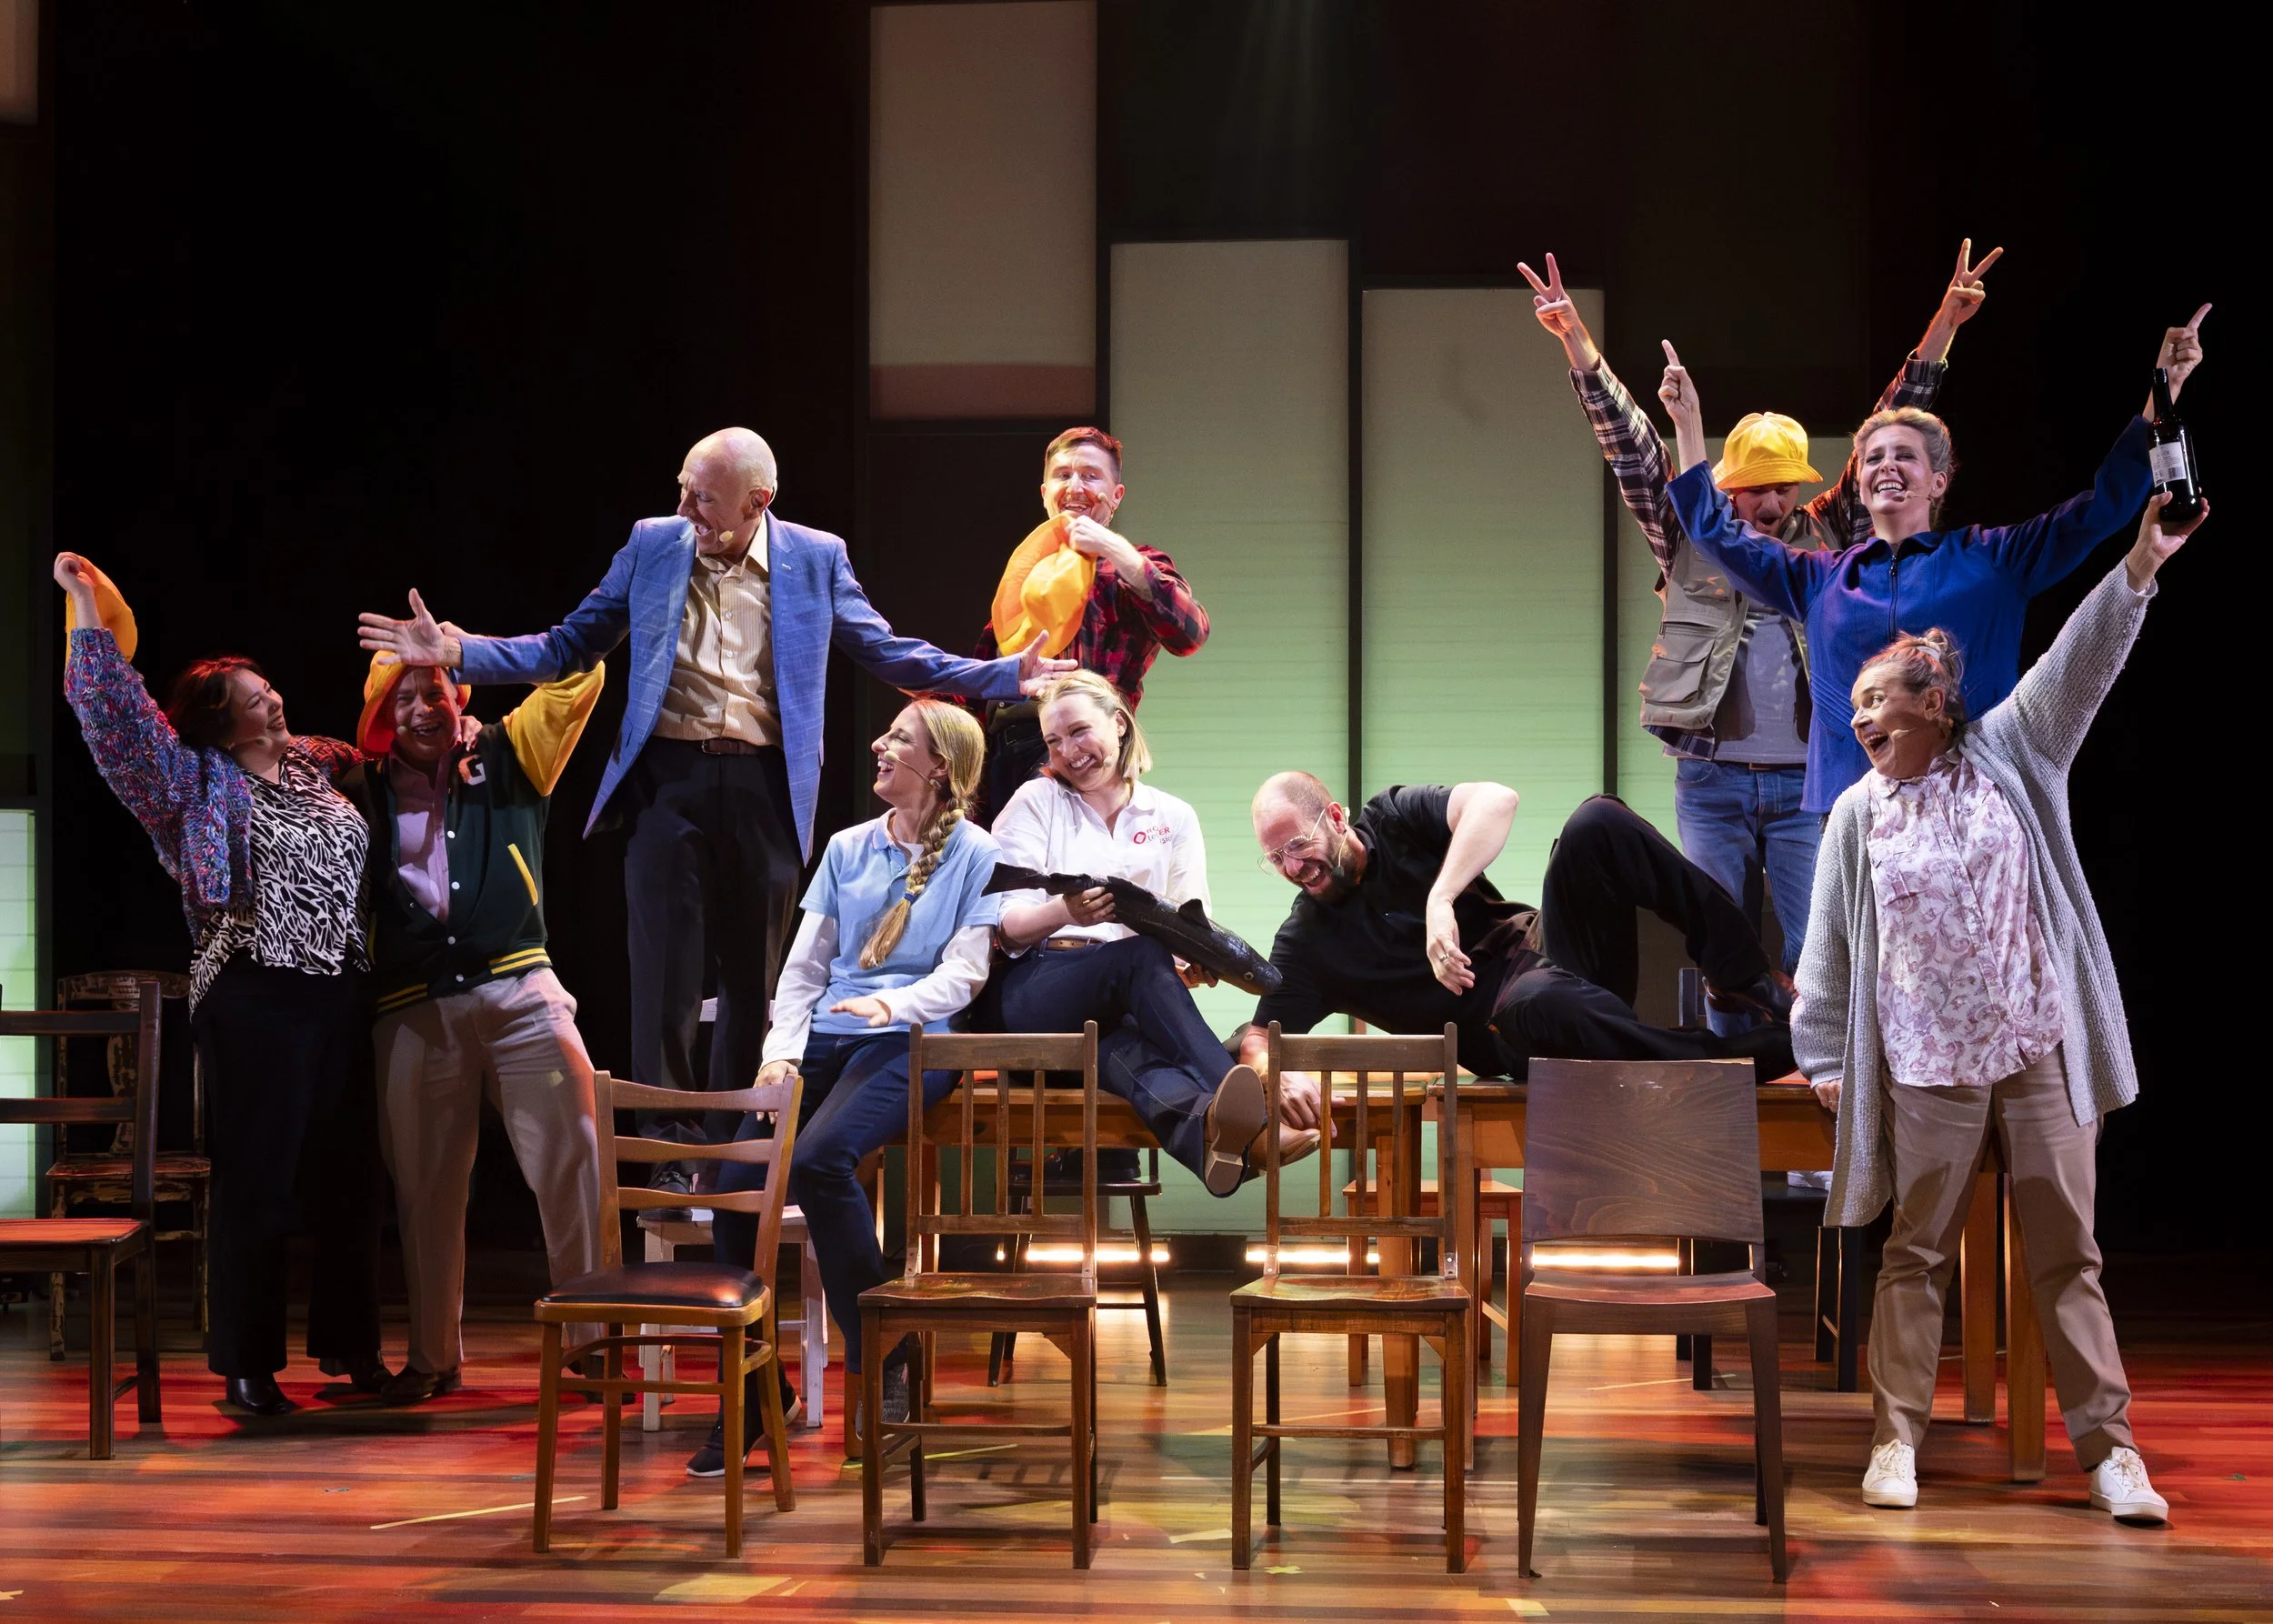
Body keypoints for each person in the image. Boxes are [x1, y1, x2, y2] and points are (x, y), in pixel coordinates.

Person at [357, 428, 1074, 1198]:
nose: (683, 507)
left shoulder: (814, 557)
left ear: (756, 502)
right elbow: (570, 644)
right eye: (682, 488)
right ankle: (667, 1149)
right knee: (664, 969)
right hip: (669, 780)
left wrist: (1002, 675)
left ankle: (736, 1146)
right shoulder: (654, 544)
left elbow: (889, 652)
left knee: (749, 976)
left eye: (701, 496)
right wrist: (461, 654)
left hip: (766, 783)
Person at [1795, 494, 2207, 1524]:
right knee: (1915, 1249)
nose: (1858, 722)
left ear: (1933, 701)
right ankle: (1894, 1440)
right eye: (1852, 708)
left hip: (2036, 1042)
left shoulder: (2014, 752)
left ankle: (2110, 1453)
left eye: (1875, 701)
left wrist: (2141, 565)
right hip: (1926, 1057)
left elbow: (2080, 659)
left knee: (2067, 1250)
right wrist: (1826, 1056)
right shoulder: (1857, 813)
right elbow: (1829, 951)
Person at [1518, 241, 1998, 991]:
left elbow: (1892, 425)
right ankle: (1731, 1088)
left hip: (1806, 783)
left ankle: (1817, 1088)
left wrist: (1943, 327)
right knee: (1724, 952)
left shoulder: (1829, 536)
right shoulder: (1686, 530)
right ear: (1729, 487)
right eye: (1755, 490)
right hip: (1710, 780)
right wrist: (1579, 347)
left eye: (1784, 488)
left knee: (1821, 947)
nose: (1772, 504)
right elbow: (1631, 450)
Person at [56, 552, 385, 1417]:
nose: (271, 696)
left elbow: (387, 749)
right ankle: (247, 1367)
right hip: (252, 993)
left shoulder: (318, 764)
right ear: (218, 719)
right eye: (251, 693)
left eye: (268, 685)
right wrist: (88, 607)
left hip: (336, 991)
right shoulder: (190, 782)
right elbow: (113, 717)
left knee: (349, 1174)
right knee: (259, 1180)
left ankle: (352, 1348)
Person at [1658, 306, 2209, 811]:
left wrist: (2164, 392)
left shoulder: (1993, 559)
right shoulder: (1820, 578)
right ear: (1862, 483)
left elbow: (2099, 510)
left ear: (1938, 482)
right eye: (1874, 458)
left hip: (1970, 810)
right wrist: (1687, 426)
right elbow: (1714, 531)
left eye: (1905, 456)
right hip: (1855, 820)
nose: (1886, 465)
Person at [696, 699, 1003, 1476]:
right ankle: (758, 1388)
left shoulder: (977, 853)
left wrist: (890, 1004)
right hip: (829, 1033)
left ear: (939, 767)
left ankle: (883, 1351)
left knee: (822, 1157)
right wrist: (781, 1053)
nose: (879, 743)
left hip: (916, 1038)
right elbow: (802, 969)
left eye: (900, 738)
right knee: (732, 1179)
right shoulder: (847, 847)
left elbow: (966, 974)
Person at [337, 653, 609, 1404]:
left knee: (577, 1161)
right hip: (414, 1005)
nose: (424, 708)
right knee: (423, 1190)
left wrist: (469, 647)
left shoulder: (509, 751)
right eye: (405, 698)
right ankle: (433, 1358)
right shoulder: (358, 789)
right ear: (382, 717)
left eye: (436, 691)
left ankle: (592, 1342)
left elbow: (580, 672)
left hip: (521, 986)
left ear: (460, 695)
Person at [1236, 777, 1794, 1112]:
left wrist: (1441, 898)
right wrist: (1272, 1072)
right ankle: (1759, 1056)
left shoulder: (1393, 817)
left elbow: (1497, 800)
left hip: (1560, 951)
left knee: (1596, 823)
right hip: (1516, 1027)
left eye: (1299, 844)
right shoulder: (1306, 940)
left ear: (1335, 818)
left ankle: (1743, 978)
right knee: (1540, 1002)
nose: (1292, 867)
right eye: (1275, 858)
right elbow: (1259, 1035)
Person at [987, 672, 1313, 1196]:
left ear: (1119, 723)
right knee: (1138, 957)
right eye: (1054, 741)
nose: (1068, 752)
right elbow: (1006, 926)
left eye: (1078, 732)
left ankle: (1217, 1133)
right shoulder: (1035, 801)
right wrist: (1067, 912)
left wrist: (1197, 963)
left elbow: (1193, 922)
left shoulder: (1173, 816)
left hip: (1118, 1014)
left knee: (1126, 1053)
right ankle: (1261, 1115)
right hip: (1038, 989)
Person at [971, 427, 1210, 826]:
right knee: (1009, 880)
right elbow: (984, 678)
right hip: (1003, 751)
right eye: (1063, 475)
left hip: (1085, 749)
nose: (1075, 486)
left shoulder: (1132, 565)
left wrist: (1114, 548)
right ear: (1044, 491)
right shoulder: (1027, 571)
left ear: (1116, 496)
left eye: (1090, 475)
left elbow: (1190, 632)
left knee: (1068, 877)